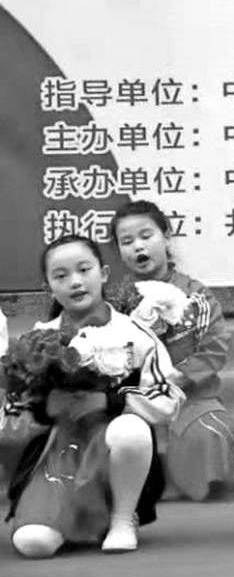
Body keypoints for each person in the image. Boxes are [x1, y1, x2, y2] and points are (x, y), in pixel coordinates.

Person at [7, 235, 179, 558]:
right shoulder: (37, 340)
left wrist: (110, 402)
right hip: (60, 449)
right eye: (61, 276)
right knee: (33, 543)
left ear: (103, 274)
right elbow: (15, 411)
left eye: (84, 270)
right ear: (48, 288)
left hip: (114, 446)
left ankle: (121, 518)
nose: (75, 282)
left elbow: (167, 397)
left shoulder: (135, 335)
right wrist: (44, 408)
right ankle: (76, 519)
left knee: (131, 429)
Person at [109, 200, 234, 500]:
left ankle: (191, 480)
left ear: (166, 236)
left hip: (190, 397)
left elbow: (215, 347)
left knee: (210, 433)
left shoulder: (196, 294)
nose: (138, 246)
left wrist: (174, 380)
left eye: (146, 236)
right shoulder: (115, 302)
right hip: (135, 398)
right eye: (127, 241)